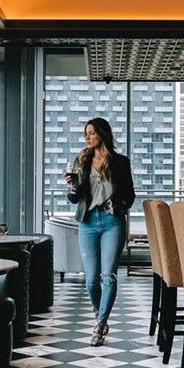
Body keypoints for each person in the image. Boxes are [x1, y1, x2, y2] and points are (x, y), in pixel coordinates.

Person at [65, 117, 136, 345]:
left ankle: (101, 323)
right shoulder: (82, 160)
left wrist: (120, 207)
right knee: (91, 281)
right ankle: (99, 313)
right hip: (88, 222)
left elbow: (130, 195)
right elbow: (75, 198)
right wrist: (73, 185)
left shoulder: (121, 162)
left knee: (108, 276)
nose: (87, 137)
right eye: (86, 133)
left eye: (92, 133)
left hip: (112, 222)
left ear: (102, 134)